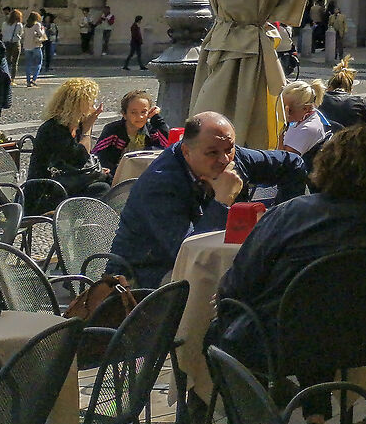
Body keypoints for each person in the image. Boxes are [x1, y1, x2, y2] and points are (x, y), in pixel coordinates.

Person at [211, 124, 366, 424]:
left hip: (282, 339)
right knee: (321, 313)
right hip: (363, 339)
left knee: (222, 335)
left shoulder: (290, 214)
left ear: (328, 163)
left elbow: (239, 285)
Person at [108, 111, 308, 288]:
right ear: (186, 151)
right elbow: (192, 254)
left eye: (230, 148)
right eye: (212, 153)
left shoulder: (231, 155)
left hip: (219, 259)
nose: (224, 159)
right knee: (218, 286)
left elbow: (293, 164)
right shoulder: (160, 185)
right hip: (145, 276)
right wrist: (222, 201)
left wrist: (283, 223)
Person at [28, 77, 108, 209]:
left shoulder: (75, 125)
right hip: (45, 191)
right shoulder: (54, 129)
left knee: (106, 181)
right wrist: (87, 129)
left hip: (65, 183)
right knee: (101, 189)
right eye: (91, 101)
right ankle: (81, 228)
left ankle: (86, 227)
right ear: (79, 104)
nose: (94, 105)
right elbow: (79, 159)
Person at [94, 89, 172, 178]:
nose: (140, 117)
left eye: (144, 112)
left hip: (146, 176)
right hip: (116, 176)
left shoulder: (152, 131)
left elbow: (169, 146)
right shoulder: (113, 130)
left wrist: (156, 118)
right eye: (133, 112)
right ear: (124, 114)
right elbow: (97, 155)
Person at [319, 57, 366, 131]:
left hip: (327, 139)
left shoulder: (320, 100)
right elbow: (365, 127)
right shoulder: (358, 102)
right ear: (350, 88)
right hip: (351, 140)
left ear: (330, 86)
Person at [281, 80, 330, 158]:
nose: (284, 112)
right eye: (282, 107)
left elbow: (282, 160)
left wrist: (281, 128)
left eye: (289, 110)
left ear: (305, 109)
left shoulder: (308, 129)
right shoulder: (300, 120)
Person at [23, 10, 50, 84]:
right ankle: (34, 79)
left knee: (28, 64)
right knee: (38, 63)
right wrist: (43, 29)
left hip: (27, 46)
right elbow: (41, 34)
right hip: (36, 46)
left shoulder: (26, 25)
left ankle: (28, 80)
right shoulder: (37, 25)